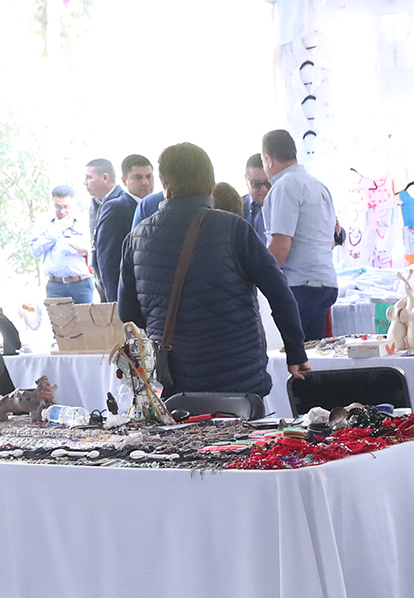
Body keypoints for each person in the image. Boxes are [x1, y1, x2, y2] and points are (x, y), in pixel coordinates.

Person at [117, 142, 310, 398]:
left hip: (175, 380)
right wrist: (295, 353)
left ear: (166, 186)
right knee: (245, 426)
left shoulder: (135, 239)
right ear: (211, 184)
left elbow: (128, 313)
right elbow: (280, 294)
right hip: (239, 377)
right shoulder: (234, 229)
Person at [260, 129, 340, 344]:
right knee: (314, 354)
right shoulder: (319, 186)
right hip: (326, 283)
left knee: (289, 354)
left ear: (268, 159)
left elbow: (281, 244)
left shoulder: (284, 187)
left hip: (299, 286)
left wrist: (257, 276)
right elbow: (331, 241)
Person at [34, 184, 95, 304]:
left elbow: (97, 250)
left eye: (66, 207)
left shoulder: (85, 220)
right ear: (52, 202)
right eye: (58, 207)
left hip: (81, 284)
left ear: (74, 202)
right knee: (56, 317)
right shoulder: (44, 223)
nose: (62, 211)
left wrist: (85, 250)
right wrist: (56, 231)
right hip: (56, 286)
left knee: (86, 316)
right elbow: (35, 250)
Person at [88, 156, 138, 301]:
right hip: (102, 283)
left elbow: (113, 256)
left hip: (120, 286)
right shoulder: (94, 206)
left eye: (89, 177)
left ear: (105, 178)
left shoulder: (123, 205)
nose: (85, 182)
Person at [243, 154, 270, 240]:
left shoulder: (284, 206)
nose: (263, 189)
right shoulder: (237, 207)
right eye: (256, 184)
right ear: (246, 180)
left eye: (268, 183)